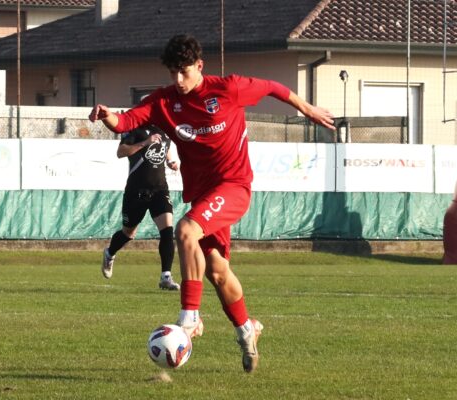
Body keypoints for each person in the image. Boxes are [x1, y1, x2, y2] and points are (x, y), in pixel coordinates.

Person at [89, 34, 335, 373]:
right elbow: (127, 121)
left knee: (185, 229)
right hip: (203, 196)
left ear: (199, 67)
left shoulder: (228, 89)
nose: (178, 80)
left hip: (234, 186)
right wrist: (106, 115)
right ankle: (247, 330)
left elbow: (273, 87)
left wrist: (307, 109)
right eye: (173, 72)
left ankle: (189, 317)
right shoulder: (164, 101)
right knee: (218, 272)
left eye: (184, 72)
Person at [102, 124, 181, 291]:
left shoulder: (164, 129)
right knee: (128, 233)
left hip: (159, 189)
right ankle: (110, 253)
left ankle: (165, 276)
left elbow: (167, 150)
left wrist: (172, 162)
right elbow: (121, 152)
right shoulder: (135, 129)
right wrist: (145, 142)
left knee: (167, 229)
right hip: (136, 191)